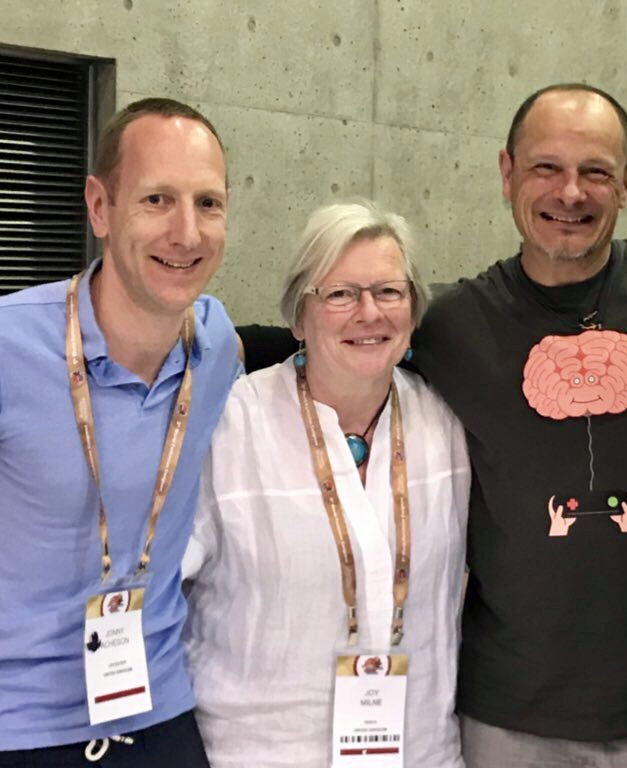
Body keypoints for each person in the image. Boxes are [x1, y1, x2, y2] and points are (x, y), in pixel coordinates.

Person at [412, 84, 627, 766]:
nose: (570, 193)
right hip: (507, 711)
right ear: (507, 173)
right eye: (546, 168)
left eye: (596, 171)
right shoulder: (450, 327)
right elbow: (332, 344)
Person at [182, 200, 470, 768]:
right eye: (340, 294)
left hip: (421, 752)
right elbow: (159, 587)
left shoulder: (448, 423)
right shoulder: (229, 426)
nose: (369, 312)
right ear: (298, 316)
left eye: (389, 291)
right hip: (260, 753)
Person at [0, 99, 239, 764]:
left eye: (208, 203)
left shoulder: (216, 344)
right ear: (100, 208)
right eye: (157, 199)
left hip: (158, 704)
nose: (186, 232)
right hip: (19, 723)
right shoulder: (10, 347)